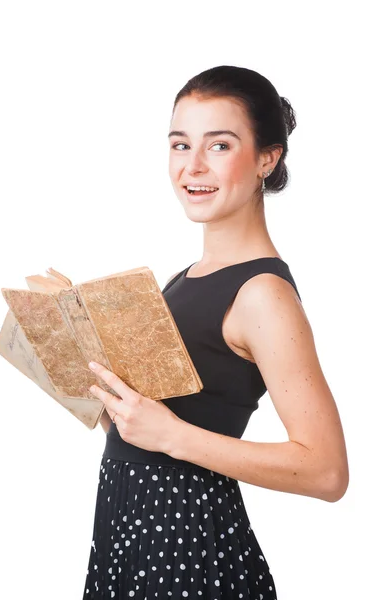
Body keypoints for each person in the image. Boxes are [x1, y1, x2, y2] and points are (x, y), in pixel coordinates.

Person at [82, 65, 349, 599]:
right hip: (131, 529)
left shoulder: (263, 295)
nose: (192, 166)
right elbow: (164, 422)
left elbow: (325, 471)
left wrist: (171, 436)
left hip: (188, 546)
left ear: (267, 158)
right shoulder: (186, 278)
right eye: (180, 145)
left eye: (219, 145)